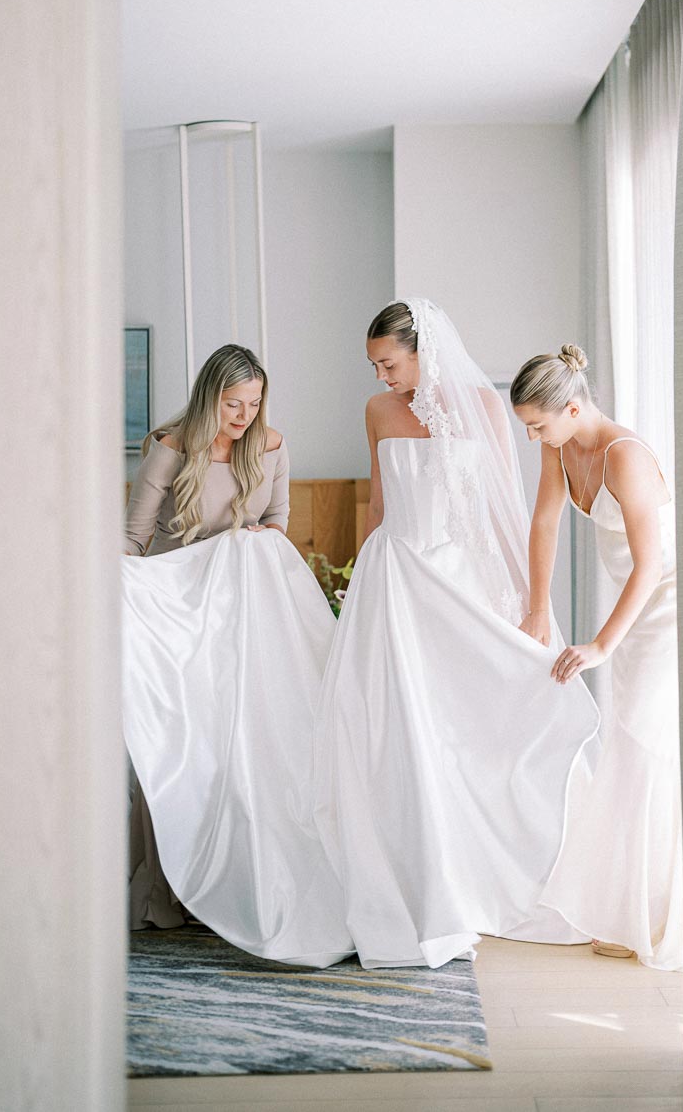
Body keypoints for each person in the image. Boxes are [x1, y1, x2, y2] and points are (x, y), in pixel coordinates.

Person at [312, 300, 600, 970]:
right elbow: (381, 503)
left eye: (389, 362)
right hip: (395, 581)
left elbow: (504, 508)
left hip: (459, 581)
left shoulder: (481, 404)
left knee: (465, 727)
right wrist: (360, 584)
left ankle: (475, 873)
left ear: (422, 349)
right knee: (394, 730)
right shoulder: (378, 412)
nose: (382, 376)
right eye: (375, 366)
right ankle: (414, 880)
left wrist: (530, 605)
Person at [122, 343, 352, 966]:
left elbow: (277, 524)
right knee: (180, 743)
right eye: (233, 404)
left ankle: (239, 880)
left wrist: (255, 539)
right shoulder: (170, 446)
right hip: (183, 617)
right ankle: (168, 890)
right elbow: (133, 538)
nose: (245, 415)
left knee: (247, 744)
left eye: (254, 403)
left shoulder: (271, 446)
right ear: (208, 399)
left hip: (244, 619)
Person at [511, 345, 683, 970]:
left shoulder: (626, 456)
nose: (533, 436)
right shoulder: (560, 447)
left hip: (667, 604)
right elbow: (545, 522)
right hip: (634, 604)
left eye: (537, 425)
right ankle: (631, 905)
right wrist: (537, 609)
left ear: (574, 406)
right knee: (628, 740)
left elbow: (653, 564)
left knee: (641, 741)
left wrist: (602, 645)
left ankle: (655, 915)